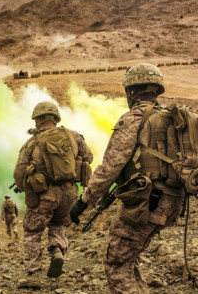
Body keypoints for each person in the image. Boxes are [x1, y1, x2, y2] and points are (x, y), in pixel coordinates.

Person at [71, 63, 186, 293]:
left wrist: (84, 201)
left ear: (131, 91)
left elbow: (109, 167)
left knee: (115, 260)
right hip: (173, 202)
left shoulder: (134, 119)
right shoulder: (172, 118)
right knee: (129, 256)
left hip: (147, 203)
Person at [13, 101, 93, 288]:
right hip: (69, 192)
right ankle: (56, 250)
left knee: (33, 231)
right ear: (55, 118)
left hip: (45, 194)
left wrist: (29, 184)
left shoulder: (31, 142)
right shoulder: (73, 136)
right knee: (58, 224)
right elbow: (88, 157)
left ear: (38, 120)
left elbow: (18, 174)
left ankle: (33, 275)